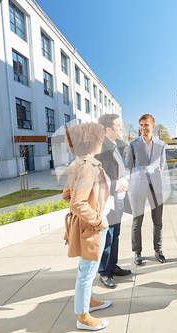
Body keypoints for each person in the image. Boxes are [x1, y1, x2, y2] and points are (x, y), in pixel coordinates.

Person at [62, 123, 111, 331]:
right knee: (87, 272)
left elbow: (67, 195)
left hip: (88, 226)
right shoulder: (86, 166)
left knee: (87, 270)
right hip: (92, 228)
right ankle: (83, 317)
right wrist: (99, 220)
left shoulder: (78, 163)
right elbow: (77, 202)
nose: (101, 142)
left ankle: (88, 302)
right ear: (90, 141)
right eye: (99, 139)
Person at [95, 114, 133, 289]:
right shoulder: (98, 149)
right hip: (107, 200)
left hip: (119, 199)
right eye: (118, 125)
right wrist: (116, 184)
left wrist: (127, 178)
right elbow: (94, 177)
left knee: (115, 234)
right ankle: (104, 272)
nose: (121, 128)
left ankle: (113, 266)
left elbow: (123, 167)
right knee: (107, 236)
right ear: (108, 129)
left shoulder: (118, 146)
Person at [125, 114, 167, 265]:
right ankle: (137, 252)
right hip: (137, 187)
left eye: (146, 125)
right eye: (141, 125)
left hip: (156, 187)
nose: (143, 127)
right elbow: (128, 166)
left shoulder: (161, 144)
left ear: (153, 126)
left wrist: (156, 175)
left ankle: (158, 250)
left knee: (158, 221)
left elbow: (162, 164)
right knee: (137, 221)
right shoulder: (132, 144)